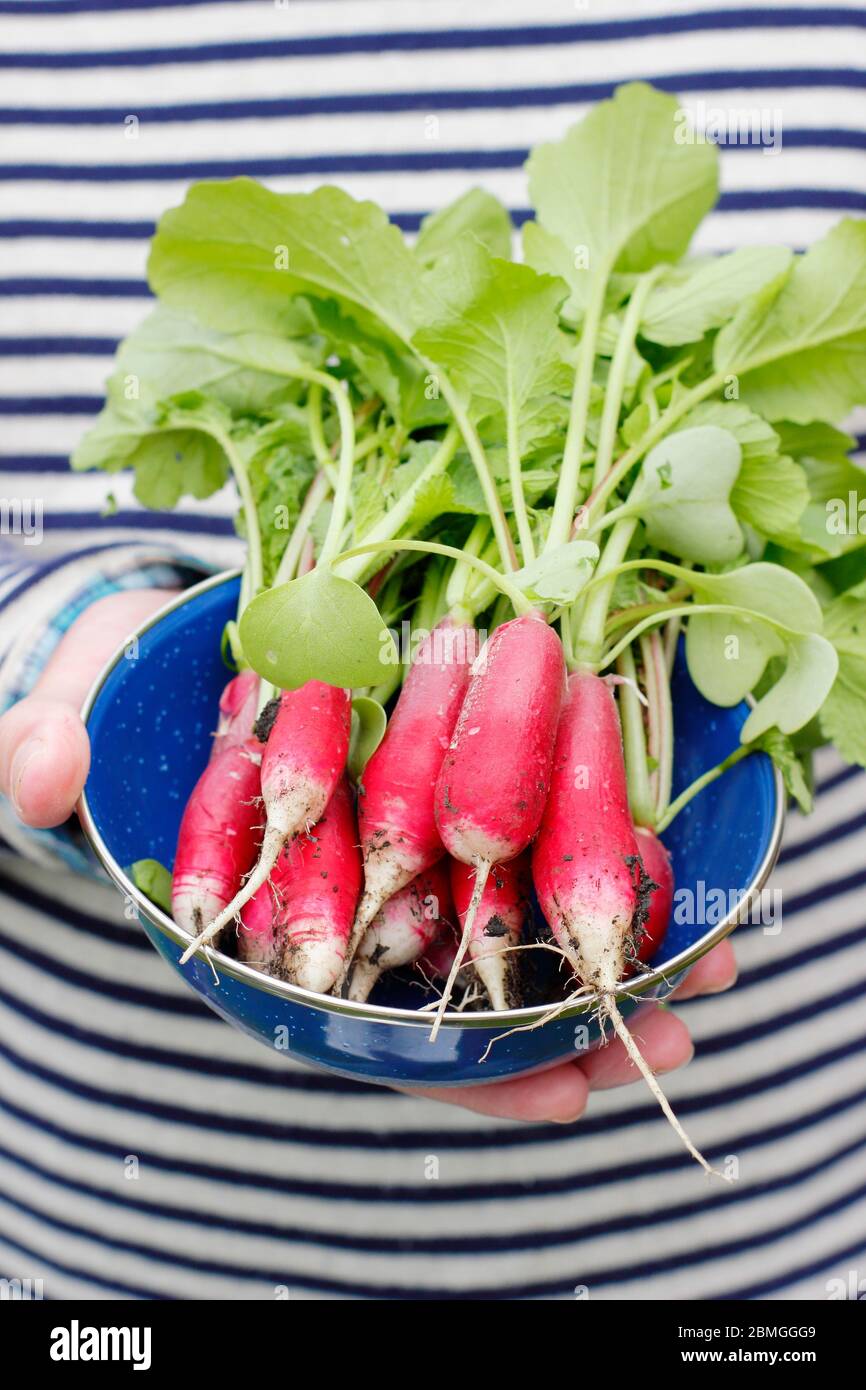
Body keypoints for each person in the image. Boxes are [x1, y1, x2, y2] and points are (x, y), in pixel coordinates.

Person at [0, 1, 863, 1300]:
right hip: (130, 1256)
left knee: (469, 796)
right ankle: (298, 910)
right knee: (386, 786)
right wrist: (54, 641)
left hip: (754, 1252)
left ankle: (512, 931)